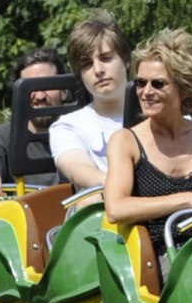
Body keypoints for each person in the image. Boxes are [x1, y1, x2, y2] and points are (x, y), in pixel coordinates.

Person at [104, 30, 192, 262]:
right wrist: (188, 198)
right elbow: (116, 208)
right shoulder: (125, 141)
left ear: (183, 89)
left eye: (158, 84)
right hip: (162, 254)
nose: (146, 92)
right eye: (140, 83)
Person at [49, 13, 131, 189]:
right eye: (86, 64)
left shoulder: (163, 113)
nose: (98, 70)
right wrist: (119, 185)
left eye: (106, 58)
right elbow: (78, 169)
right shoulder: (68, 126)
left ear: (126, 61)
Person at [0, 48, 68, 192]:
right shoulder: (0, 139)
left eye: (48, 85)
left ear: (64, 91)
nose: (40, 96)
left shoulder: (83, 132)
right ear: (18, 94)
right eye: (31, 87)